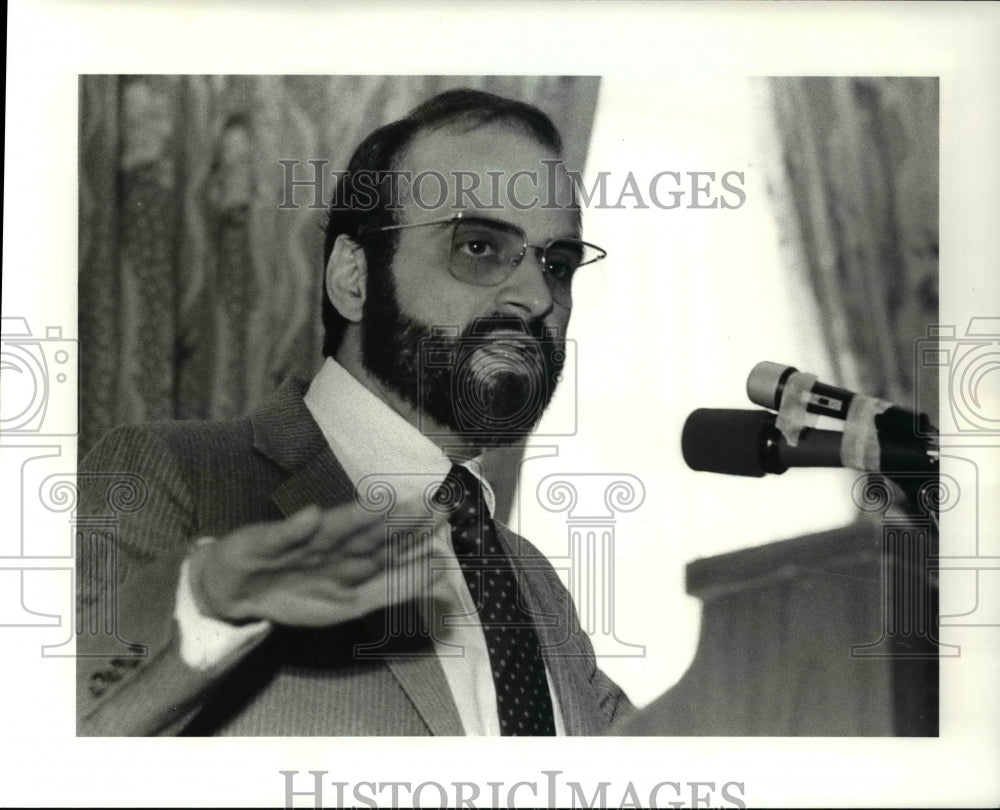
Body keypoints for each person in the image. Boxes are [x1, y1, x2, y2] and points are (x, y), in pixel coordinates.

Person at [76, 89, 635, 736]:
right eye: (479, 247)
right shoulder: (174, 476)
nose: (537, 295)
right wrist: (204, 603)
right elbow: (33, 733)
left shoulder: (532, 579)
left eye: (557, 263)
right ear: (354, 277)